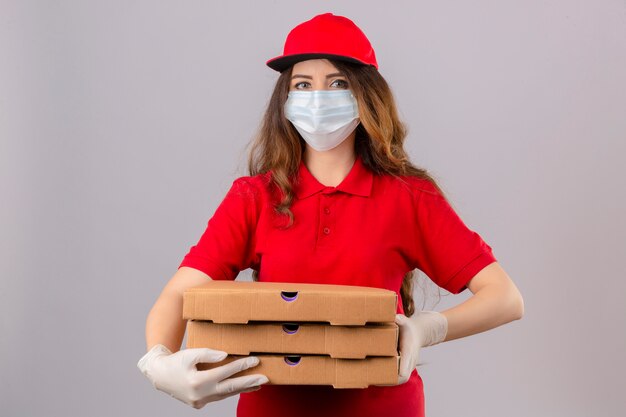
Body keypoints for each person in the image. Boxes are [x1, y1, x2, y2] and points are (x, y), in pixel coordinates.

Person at [137, 12, 524, 417]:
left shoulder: (410, 197)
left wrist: (427, 328)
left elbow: (506, 298)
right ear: (285, 101)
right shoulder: (254, 198)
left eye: (337, 83)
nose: (318, 97)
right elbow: (179, 294)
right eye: (303, 85)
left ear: (365, 96)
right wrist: (158, 361)